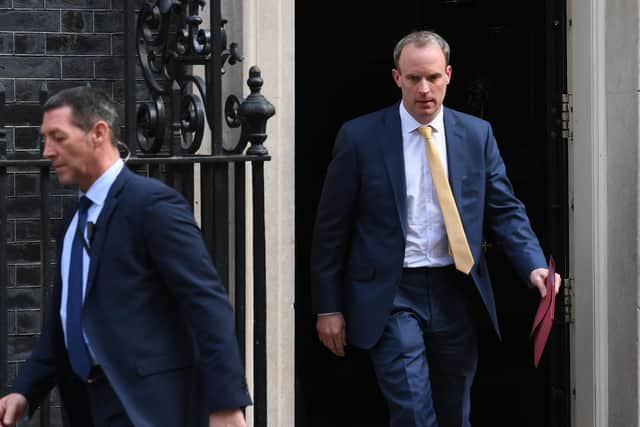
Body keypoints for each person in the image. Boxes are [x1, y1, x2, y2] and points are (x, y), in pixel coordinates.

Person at [310, 31, 561, 427]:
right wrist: (328, 305)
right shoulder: (359, 138)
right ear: (397, 78)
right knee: (412, 410)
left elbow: (504, 210)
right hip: (391, 294)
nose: (423, 89)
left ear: (448, 75)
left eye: (432, 77)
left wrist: (533, 265)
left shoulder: (476, 135)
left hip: (456, 290)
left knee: (454, 411)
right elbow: (331, 228)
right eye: (413, 79)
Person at [0, 87, 251, 427]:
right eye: (45, 139)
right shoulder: (72, 222)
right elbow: (67, 321)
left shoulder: (151, 205)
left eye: (58, 137)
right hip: (87, 406)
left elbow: (206, 304)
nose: (47, 151)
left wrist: (225, 405)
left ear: (98, 133)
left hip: (149, 408)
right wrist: (24, 392)